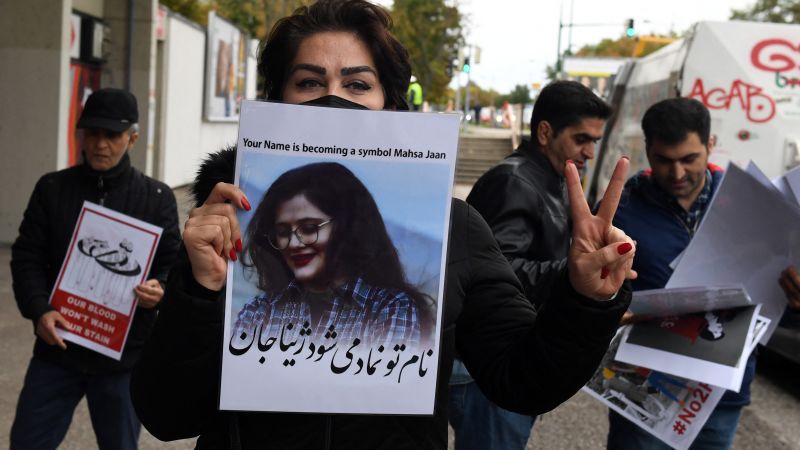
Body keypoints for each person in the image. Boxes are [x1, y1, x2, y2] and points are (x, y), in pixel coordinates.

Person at [130, 1, 637, 448]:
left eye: (357, 84)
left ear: (390, 105)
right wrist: (199, 291)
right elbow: (168, 416)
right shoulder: (225, 233)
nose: (333, 99)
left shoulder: (451, 228)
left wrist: (584, 301)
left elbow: (522, 381)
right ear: (277, 101)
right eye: (308, 82)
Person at [9, 88, 181, 450]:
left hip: (123, 358)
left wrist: (160, 291)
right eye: (93, 134)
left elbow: (171, 265)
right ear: (81, 135)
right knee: (27, 441)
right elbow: (27, 257)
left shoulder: (157, 199)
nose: (101, 144)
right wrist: (40, 310)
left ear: (132, 138)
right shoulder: (52, 189)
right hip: (59, 347)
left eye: (112, 135)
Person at [450, 80, 613, 450]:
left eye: (595, 141)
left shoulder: (550, 177)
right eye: (581, 139)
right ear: (545, 132)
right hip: (490, 366)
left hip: (513, 356)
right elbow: (495, 273)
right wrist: (575, 276)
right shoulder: (514, 181)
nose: (589, 151)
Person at [606, 97, 746, 449]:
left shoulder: (747, 204)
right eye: (664, 161)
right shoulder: (619, 209)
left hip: (717, 394)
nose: (678, 173)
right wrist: (606, 309)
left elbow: (777, 300)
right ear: (648, 151)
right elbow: (587, 289)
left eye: (689, 159)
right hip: (644, 384)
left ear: (710, 145)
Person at [232, 161, 434, 350]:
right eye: (283, 232)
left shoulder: (392, 309)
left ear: (348, 228)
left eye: (309, 228)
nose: (293, 243)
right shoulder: (259, 311)